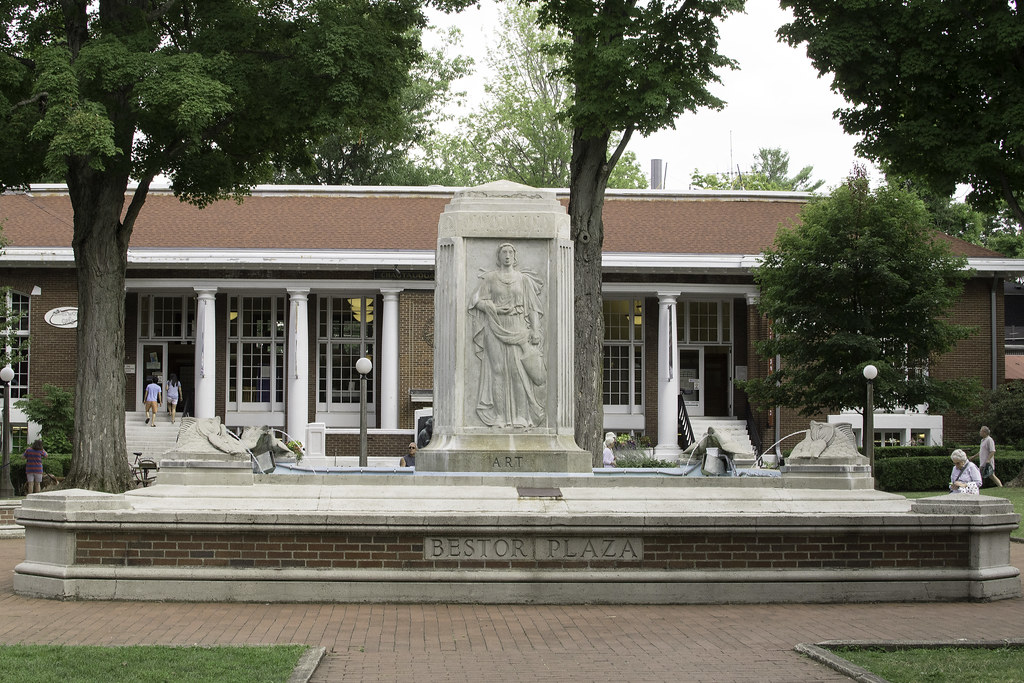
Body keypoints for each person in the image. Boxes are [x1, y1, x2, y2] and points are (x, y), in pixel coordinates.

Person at [469, 242, 546, 429]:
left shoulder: (523, 279)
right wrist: (494, 308)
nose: (507, 255)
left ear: (515, 255)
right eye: (504, 252)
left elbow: (533, 308)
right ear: (499, 256)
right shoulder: (490, 278)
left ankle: (521, 415)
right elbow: (476, 301)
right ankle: (500, 416)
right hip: (495, 327)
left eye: (510, 252)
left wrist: (535, 330)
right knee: (498, 371)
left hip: (518, 326)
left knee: (517, 372)